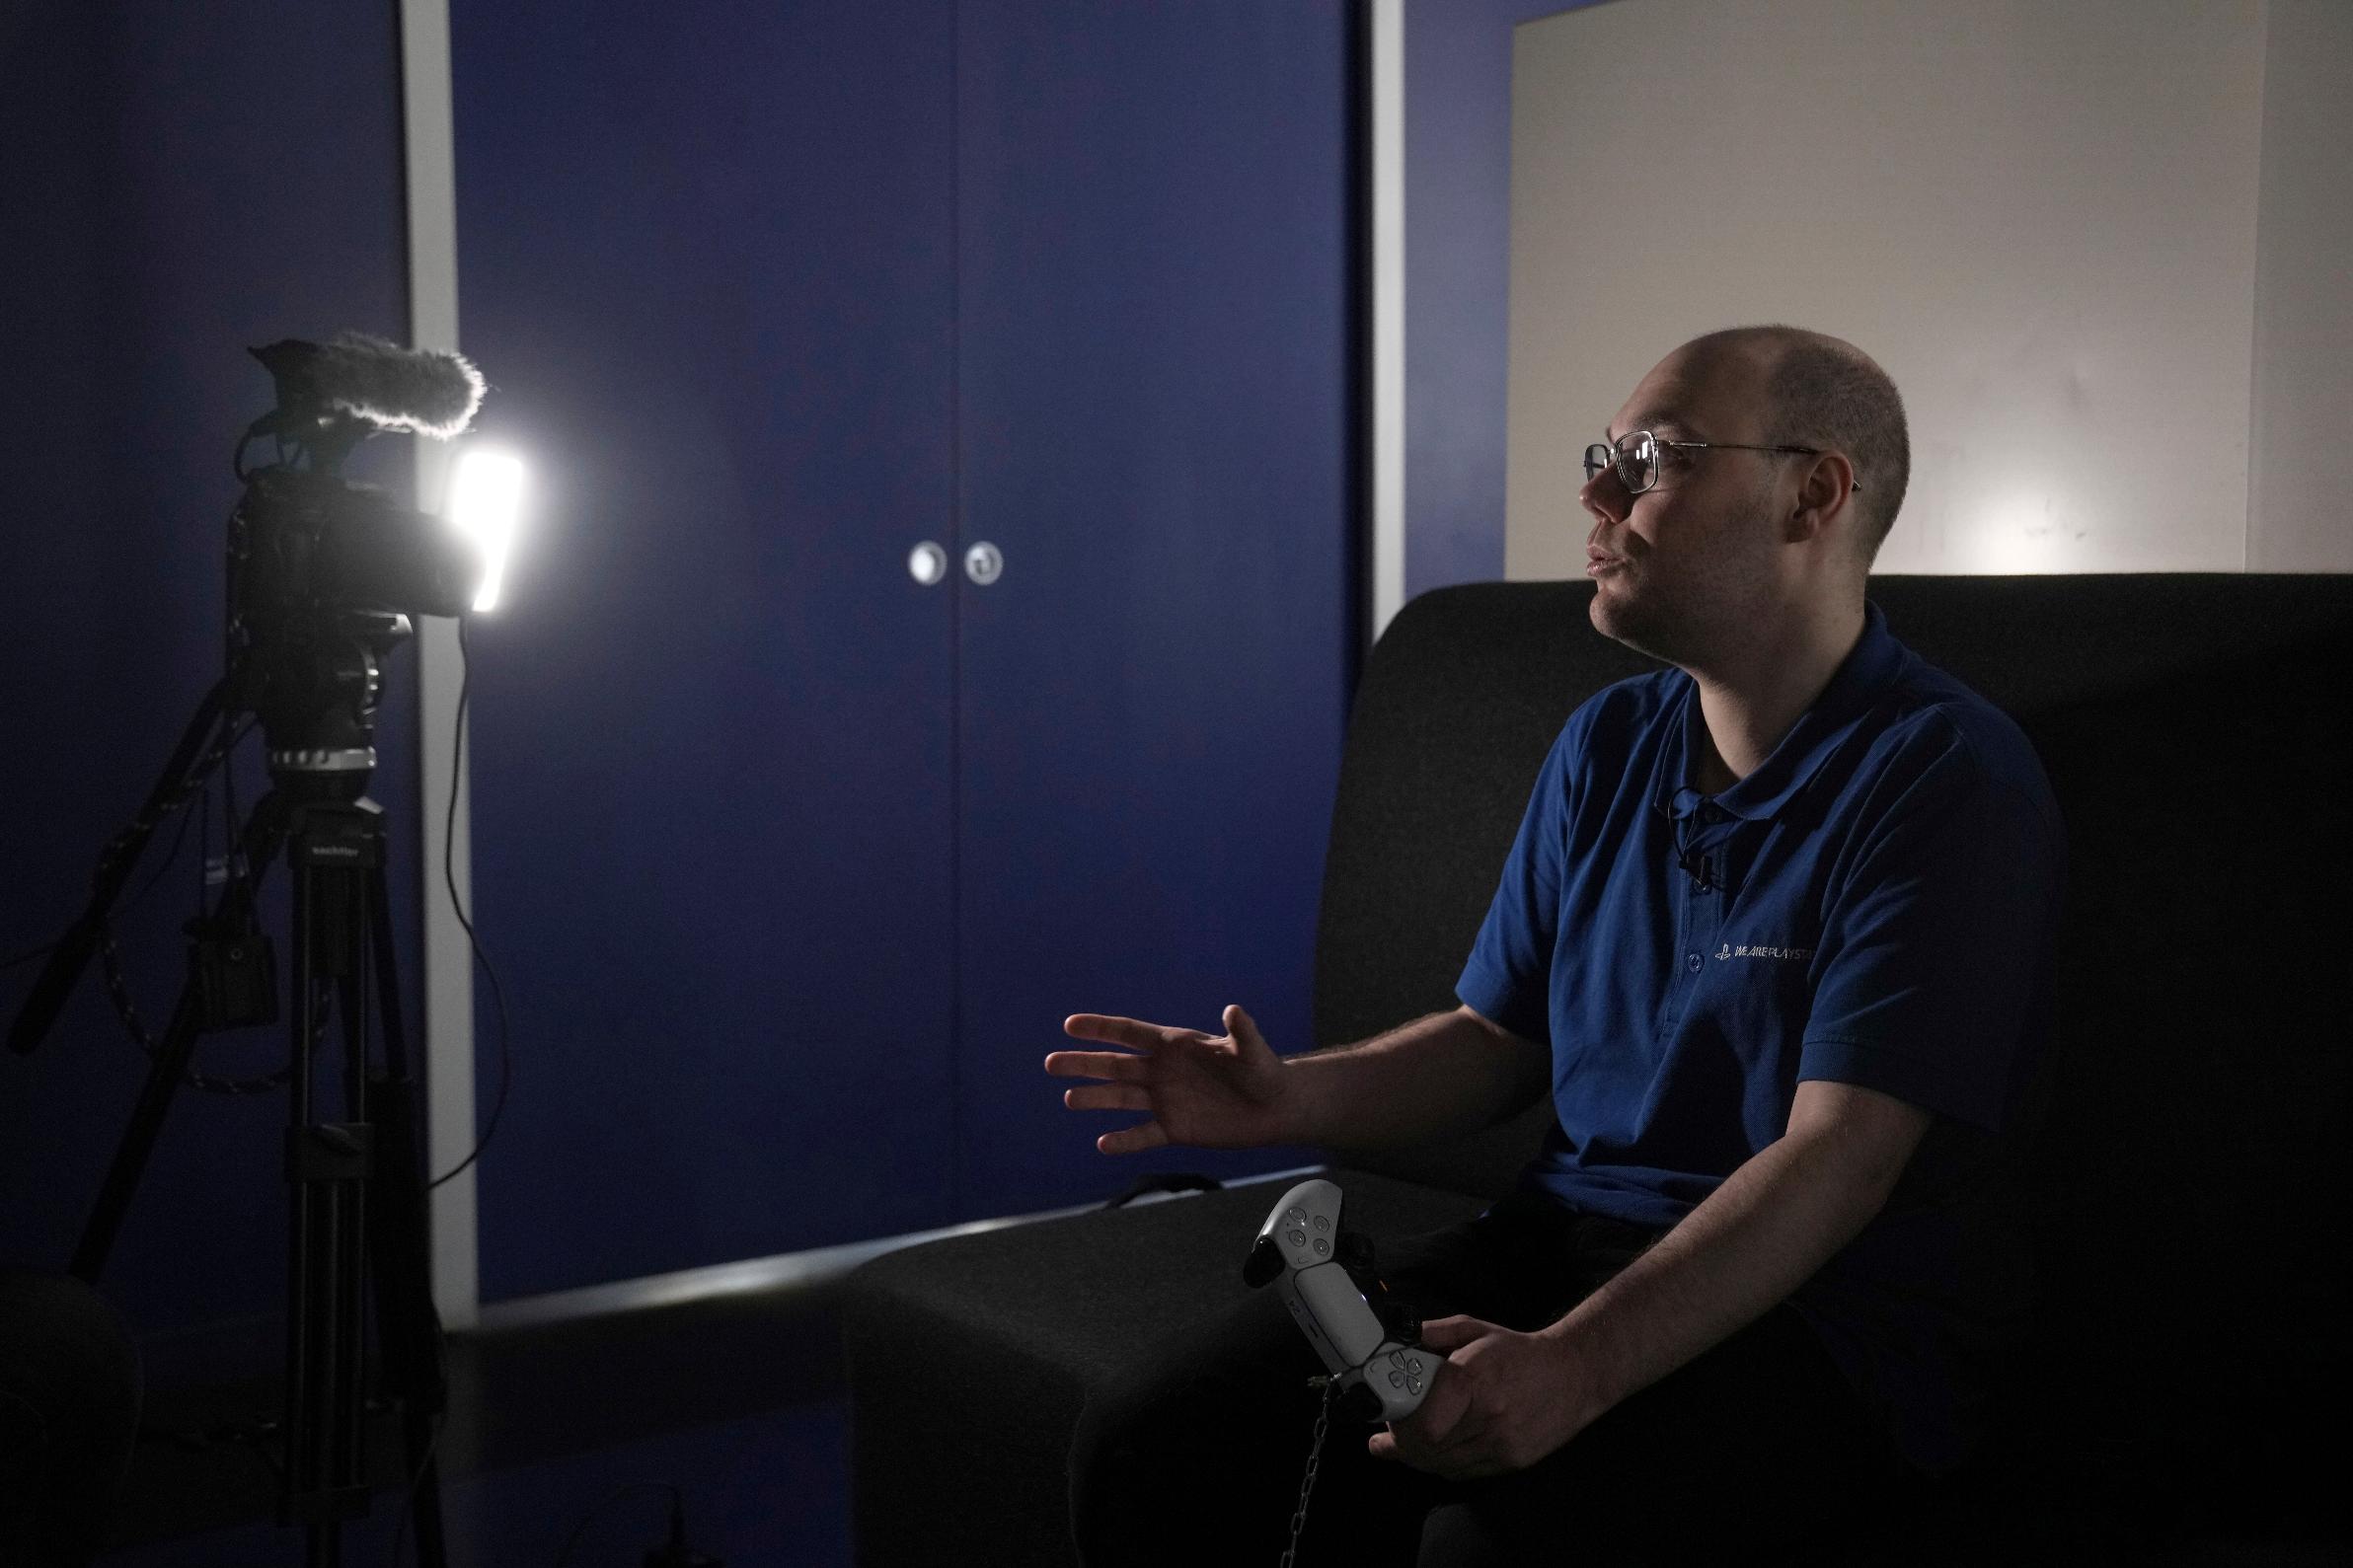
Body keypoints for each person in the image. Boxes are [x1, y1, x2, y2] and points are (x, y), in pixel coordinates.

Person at [1045, 325, 2066, 1565]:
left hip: (1825, 1316)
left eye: (1653, 456)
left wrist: (1571, 1370)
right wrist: (1278, 1098)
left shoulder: (1942, 774)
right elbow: (1492, 1039)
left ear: (1812, 492)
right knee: (1150, 1439)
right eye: (1605, 454)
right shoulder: (1606, 742)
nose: (1594, 492)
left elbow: (1838, 1161)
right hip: (1556, 1245)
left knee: (1492, 1544)